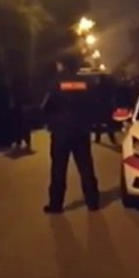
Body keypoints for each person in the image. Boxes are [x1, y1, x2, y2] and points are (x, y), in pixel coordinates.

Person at [40, 56, 100, 214]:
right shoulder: (85, 82)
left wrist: (50, 120)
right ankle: (93, 202)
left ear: (62, 64)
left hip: (61, 132)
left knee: (59, 169)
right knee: (86, 167)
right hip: (81, 130)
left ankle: (56, 205)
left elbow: (45, 106)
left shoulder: (55, 82)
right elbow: (94, 104)